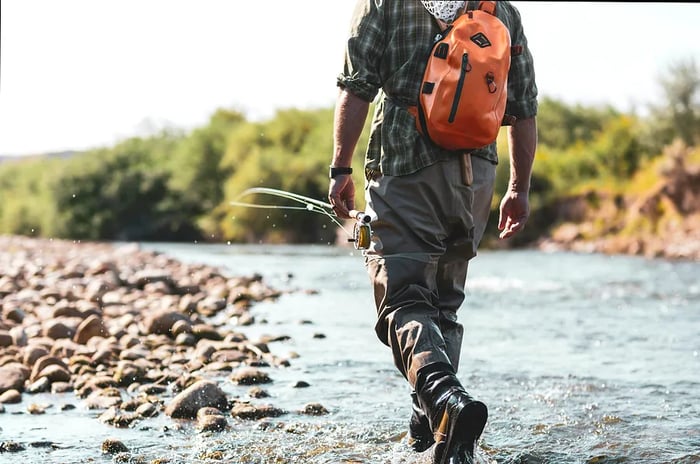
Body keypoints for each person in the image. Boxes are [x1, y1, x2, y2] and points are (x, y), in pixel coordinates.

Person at [328, 1, 538, 462]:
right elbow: (522, 108)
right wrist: (519, 189)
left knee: (403, 299)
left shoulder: (384, 3)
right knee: (444, 305)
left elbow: (356, 85)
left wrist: (341, 167)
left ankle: (444, 400)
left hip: (405, 167)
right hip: (475, 178)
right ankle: (434, 437)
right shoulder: (501, 9)